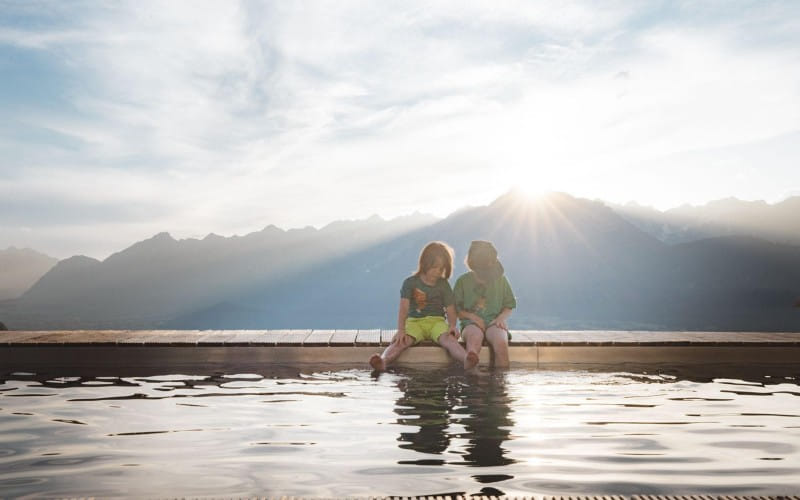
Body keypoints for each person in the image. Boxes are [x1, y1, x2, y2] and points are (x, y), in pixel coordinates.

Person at [369, 241, 475, 372]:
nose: (437, 272)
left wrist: (453, 325)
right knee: (400, 342)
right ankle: (383, 361)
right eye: (434, 267)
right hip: (414, 322)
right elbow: (403, 309)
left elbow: (450, 308)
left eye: (441, 269)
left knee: (449, 340)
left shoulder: (443, 285)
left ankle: (466, 359)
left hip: (437, 322)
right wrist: (401, 330)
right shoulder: (410, 283)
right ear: (425, 264)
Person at [454, 240, 516, 368]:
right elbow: (455, 310)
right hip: (471, 324)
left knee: (501, 343)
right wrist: (473, 317)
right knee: (474, 339)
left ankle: (501, 384)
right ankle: (471, 377)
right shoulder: (462, 282)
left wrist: (500, 318)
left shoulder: (501, 280)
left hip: (494, 322)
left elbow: (509, 305)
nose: (486, 279)